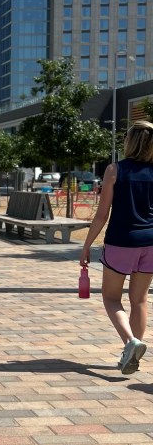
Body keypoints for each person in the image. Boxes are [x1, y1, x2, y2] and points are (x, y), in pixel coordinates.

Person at [80, 121, 153, 375]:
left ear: (129, 141)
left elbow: (102, 215)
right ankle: (133, 357)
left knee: (111, 298)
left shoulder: (115, 170)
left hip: (122, 241)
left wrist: (86, 245)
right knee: (140, 300)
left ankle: (131, 343)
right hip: (151, 243)